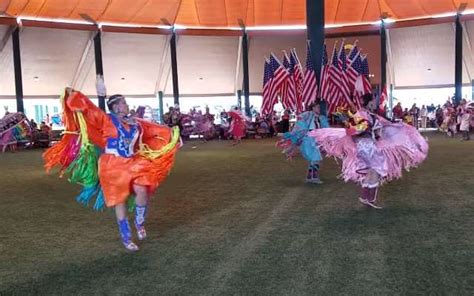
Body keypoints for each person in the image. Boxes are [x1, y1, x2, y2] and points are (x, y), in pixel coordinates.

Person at [44, 82, 180, 252]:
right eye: (123, 102)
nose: (126, 104)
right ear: (115, 107)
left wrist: (172, 135)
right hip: (113, 166)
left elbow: (154, 130)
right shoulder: (107, 120)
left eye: (125, 102)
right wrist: (74, 94)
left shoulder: (135, 122)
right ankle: (126, 236)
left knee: (142, 188)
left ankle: (139, 221)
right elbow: (90, 110)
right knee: (120, 200)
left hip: (132, 162)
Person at [309, 94, 428, 209]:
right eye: (374, 100)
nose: (376, 102)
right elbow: (358, 128)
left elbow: (382, 125)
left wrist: (397, 125)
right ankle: (371, 199)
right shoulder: (361, 114)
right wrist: (361, 126)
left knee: (372, 169)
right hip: (366, 145)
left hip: (366, 145)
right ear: (370, 102)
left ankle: (365, 196)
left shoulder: (367, 114)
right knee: (378, 167)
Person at [277, 101, 329, 184]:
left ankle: (310, 177)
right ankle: (314, 178)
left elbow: (325, 128)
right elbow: (300, 123)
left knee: (314, 159)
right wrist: (306, 131)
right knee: (316, 158)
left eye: (319, 107)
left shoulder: (320, 118)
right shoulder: (307, 115)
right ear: (313, 108)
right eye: (318, 107)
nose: (319, 109)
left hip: (315, 140)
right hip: (308, 140)